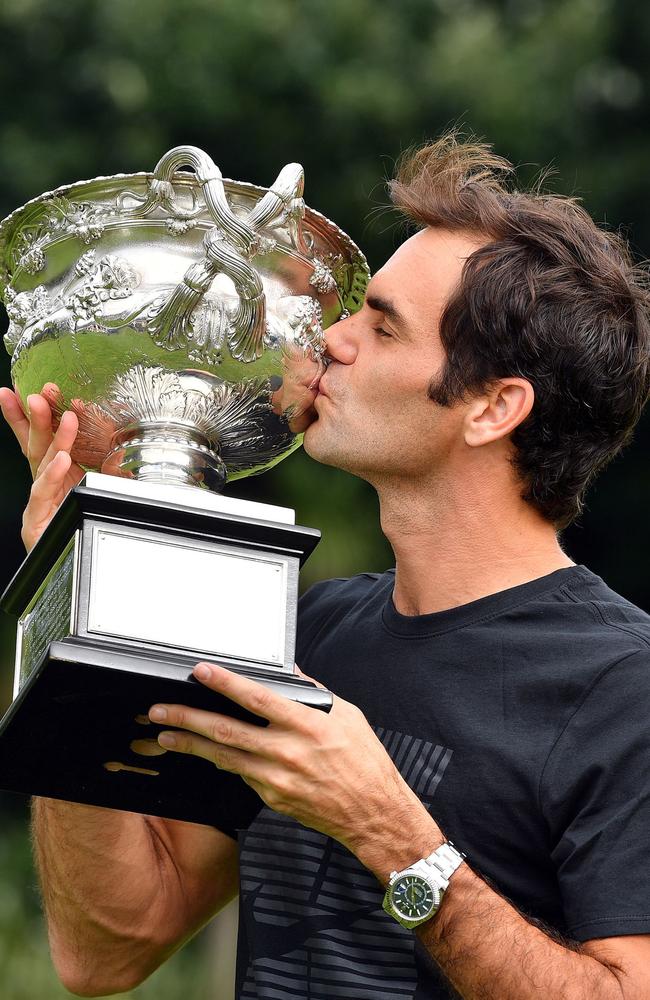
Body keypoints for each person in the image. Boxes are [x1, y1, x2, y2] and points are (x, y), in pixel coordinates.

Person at [1, 133, 650, 1000]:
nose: (331, 341)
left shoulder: (622, 687)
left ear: (495, 406)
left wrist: (392, 836)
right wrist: (71, 581)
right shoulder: (309, 634)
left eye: (381, 325)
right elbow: (109, 947)